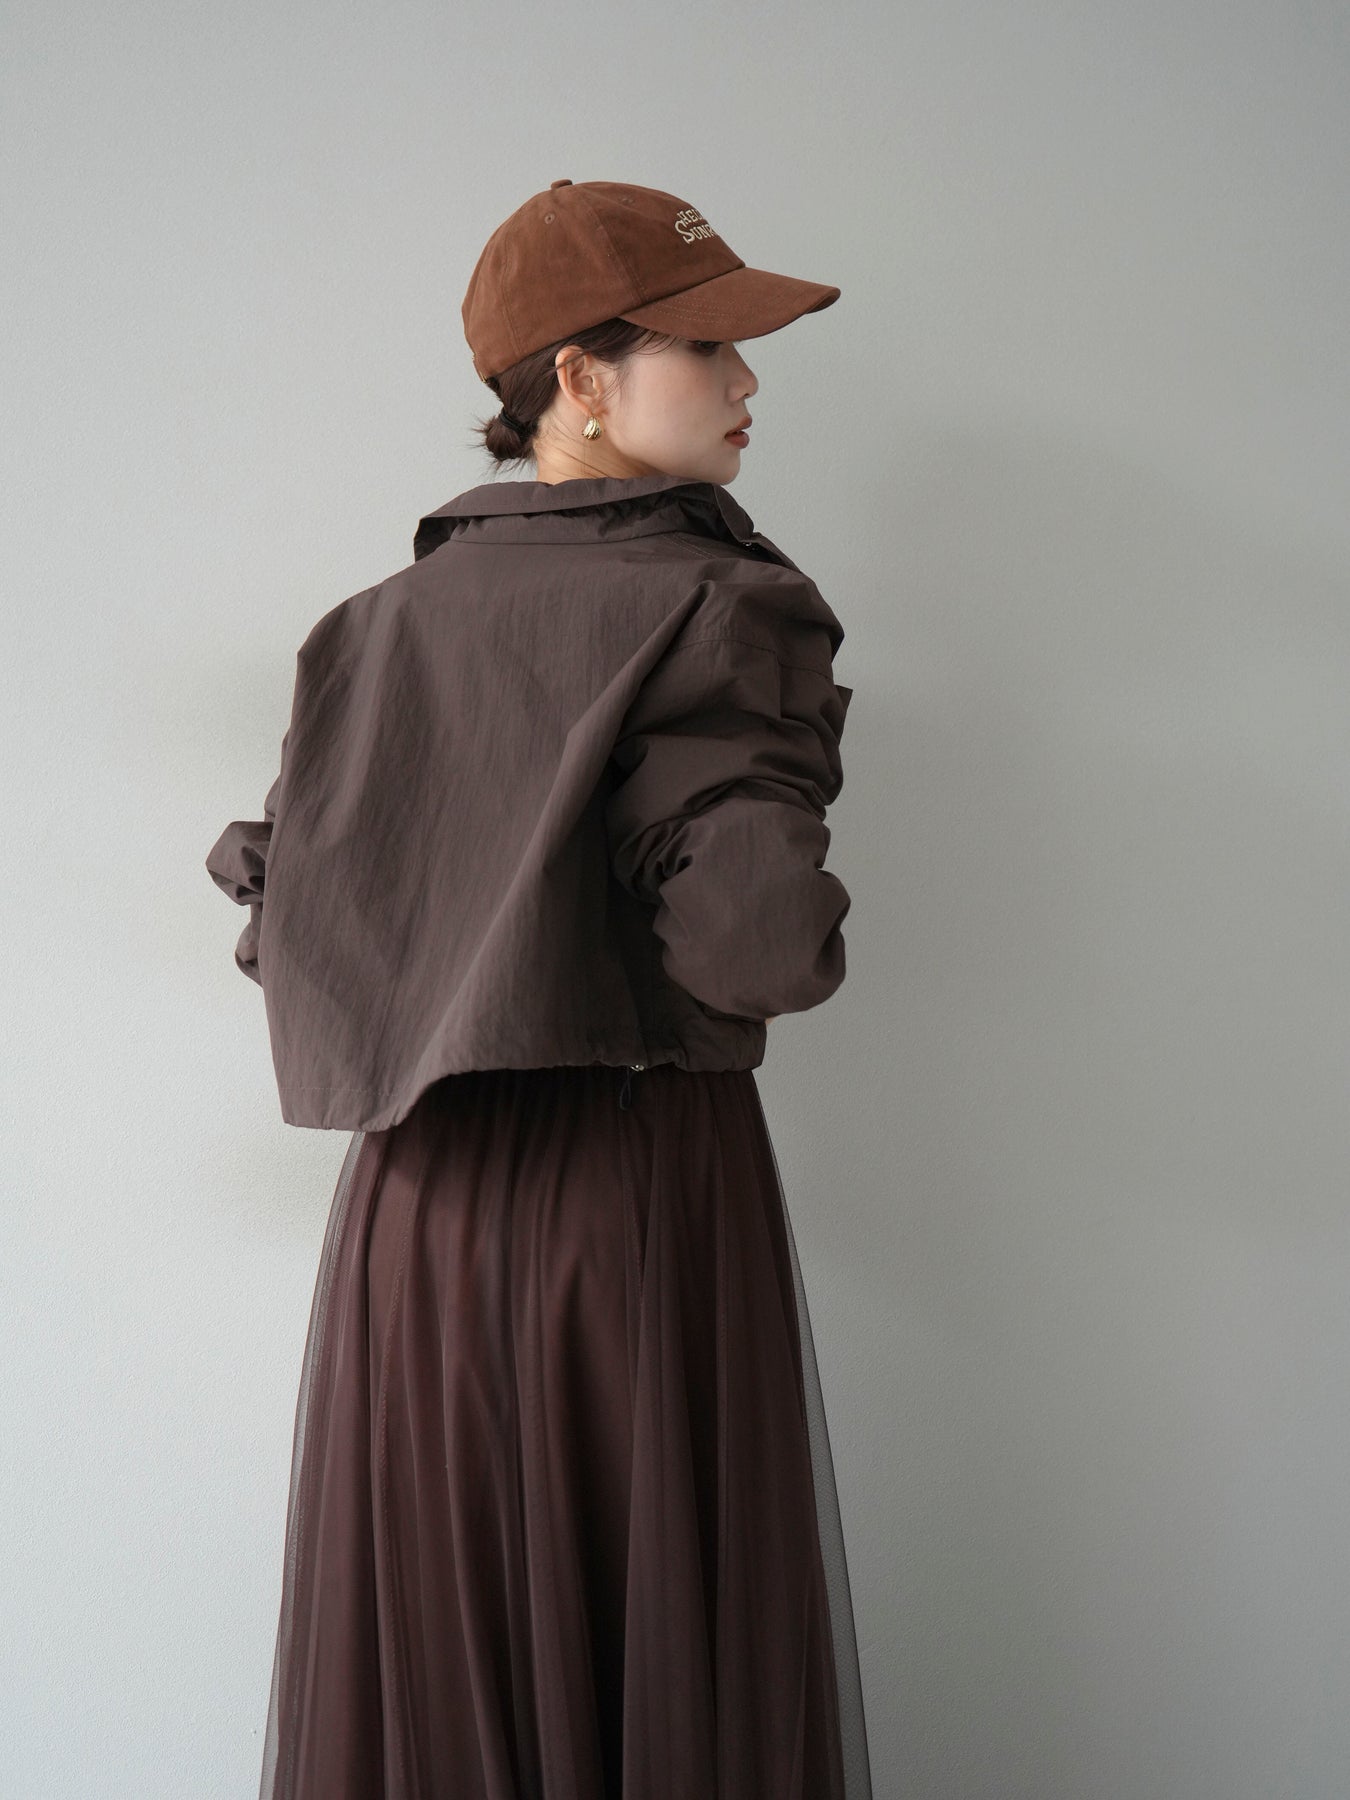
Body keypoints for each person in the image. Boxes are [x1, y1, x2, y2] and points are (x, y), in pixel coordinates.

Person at [206, 176, 872, 1800]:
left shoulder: (367, 632)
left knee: (450, 1676)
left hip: (413, 1231)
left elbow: (300, 936)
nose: (746, 380)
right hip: (631, 1200)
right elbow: (757, 947)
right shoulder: (718, 603)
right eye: (706, 346)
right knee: (661, 1659)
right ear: (578, 378)